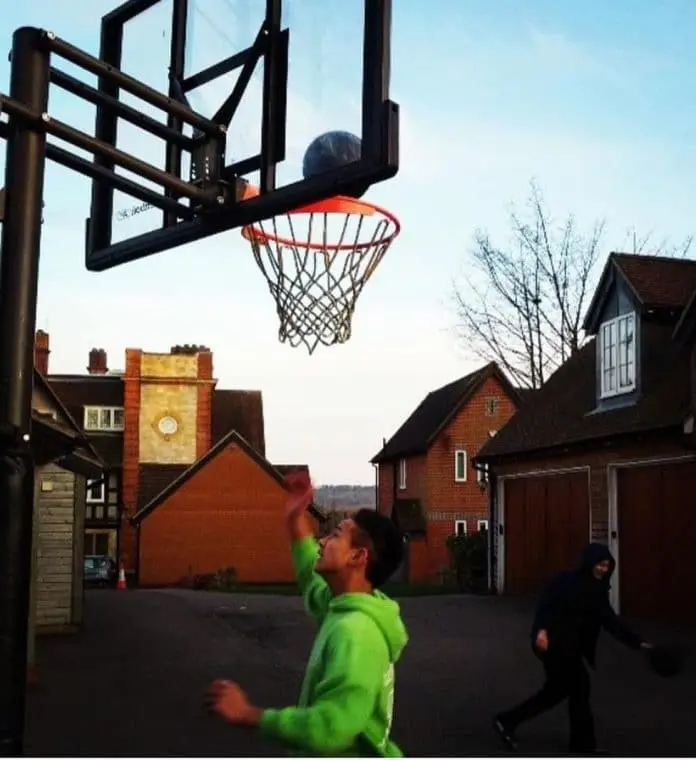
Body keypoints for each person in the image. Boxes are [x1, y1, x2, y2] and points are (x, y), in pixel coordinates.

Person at [206, 473, 408, 757]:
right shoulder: (345, 604)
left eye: (336, 535)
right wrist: (294, 518)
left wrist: (249, 714)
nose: (323, 542)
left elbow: (332, 726)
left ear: (357, 557)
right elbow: (310, 577)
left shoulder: (355, 633)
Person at [493, 542, 653, 755]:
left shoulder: (598, 592)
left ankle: (507, 720)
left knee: (556, 692)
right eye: (599, 564)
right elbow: (546, 603)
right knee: (579, 687)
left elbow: (612, 623)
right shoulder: (567, 581)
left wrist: (639, 643)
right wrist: (541, 630)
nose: (602, 569)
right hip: (552, 643)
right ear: (589, 563)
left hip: (570, 647)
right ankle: (582, 744)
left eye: (606, 566)